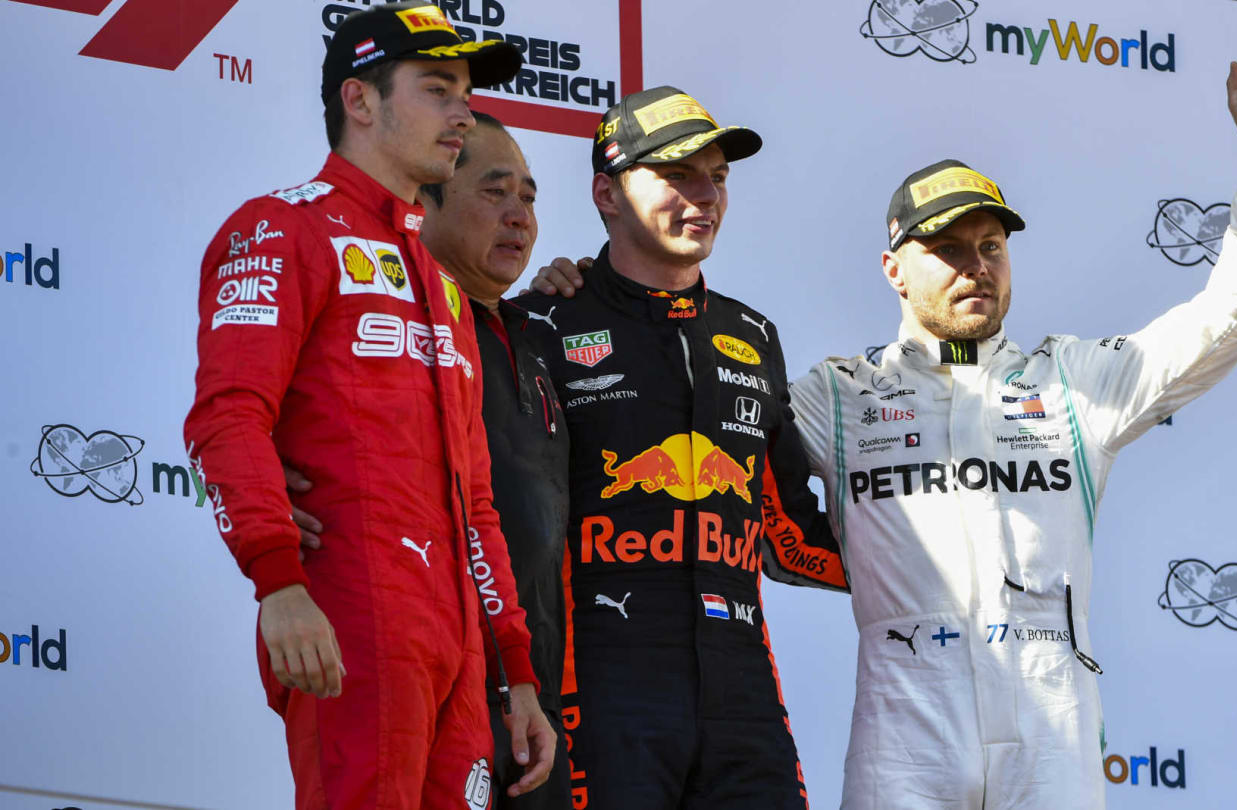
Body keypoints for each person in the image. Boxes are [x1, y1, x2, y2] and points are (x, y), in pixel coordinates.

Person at [784, 20, 1237, 809]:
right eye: (949, 250)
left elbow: (1235, 316)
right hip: (905, 729)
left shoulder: (1073, 381)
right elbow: (704, 423)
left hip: (1050, 723)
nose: (976, 267)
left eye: (991, 245)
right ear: (894, 269)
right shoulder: (839, 394)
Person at [182, 4, 551, 807]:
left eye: (465, 94)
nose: (462, 114)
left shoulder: (446, 288)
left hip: (457, 642)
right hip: (350, 608)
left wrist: (513, 663)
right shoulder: (281, 230)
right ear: (360, 101)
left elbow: (474, 499)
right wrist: (278, 582)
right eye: (438, 89)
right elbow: (227, 416)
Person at [512, 86, 848, 809]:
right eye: (677, 175)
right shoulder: (537, 322)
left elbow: (785, 531)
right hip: (599, 682)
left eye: (718, 176)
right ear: (607, 193)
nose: (705, 196)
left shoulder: (751, 334)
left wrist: (934, 575)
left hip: (742, 687)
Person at [290, 112, 569, 807]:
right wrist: (272, 475)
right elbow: (245, 412)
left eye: (529, 199)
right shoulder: (373, 323)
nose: (518, 218)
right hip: (409, 658)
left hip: (525, 682)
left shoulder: (544, 329)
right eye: (494, 193)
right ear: (428, 197)